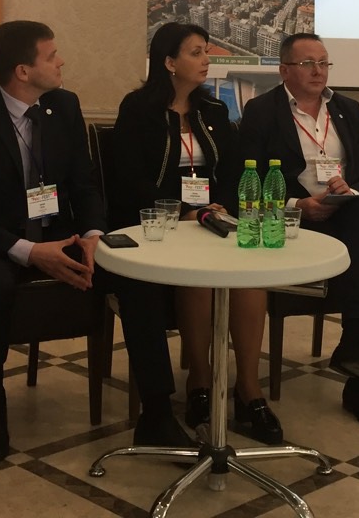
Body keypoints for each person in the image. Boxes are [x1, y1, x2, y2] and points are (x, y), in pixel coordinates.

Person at [0, 20, 191, 461]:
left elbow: (84, 183)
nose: (61, 62)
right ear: (23, 71)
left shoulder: (64, 105)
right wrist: (29, 251)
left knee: (136, 275)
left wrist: (93, 235)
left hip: (60, 233)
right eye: (51, 56)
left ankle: (156, 410)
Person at [113, 22, 283, 443]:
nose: (207, 59)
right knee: (199, 276)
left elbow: (233, 169)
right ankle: (201, 383)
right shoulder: (138, 109)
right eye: (196, 52)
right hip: (161, 224)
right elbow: (129, 179)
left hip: (212, 219)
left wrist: (220, 205)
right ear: (169, 62)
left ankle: (248, 389)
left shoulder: (213, 110)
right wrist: (182, 211)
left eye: (206, 51)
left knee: (249, 275)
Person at [238, 32, 359, 432]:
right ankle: (358, 370)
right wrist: (298, 204)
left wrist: (349, 192)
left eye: (324, 62)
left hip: (344, 214)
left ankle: (354, 352)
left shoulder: (347, 109)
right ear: (284, 70)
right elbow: (245, 179)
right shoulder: (262, 111)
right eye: (307, 63)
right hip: (292, 217)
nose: (318, 71)